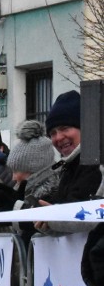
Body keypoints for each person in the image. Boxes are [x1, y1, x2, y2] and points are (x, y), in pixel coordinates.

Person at [32, 90, 104, 235]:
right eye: (52, 133)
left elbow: (87, 215)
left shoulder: (95, 163)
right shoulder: (69, 167)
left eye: (65, 128)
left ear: (84, 128)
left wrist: (52, 217)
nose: (58, 137)